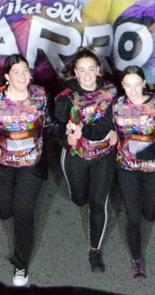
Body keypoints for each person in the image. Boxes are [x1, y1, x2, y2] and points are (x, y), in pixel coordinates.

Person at [0, 55, 53, 288]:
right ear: (7, 77)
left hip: (31, 164)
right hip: (3, 163)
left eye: (25, 70)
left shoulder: (40, 95)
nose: (22, 76)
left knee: (23, 213)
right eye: (16, 72)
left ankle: (21, 264)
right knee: (3, 211)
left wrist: (72, 132)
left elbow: (50, 124)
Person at [52, 49, 118, 274]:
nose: (88, 74)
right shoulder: (66, 98)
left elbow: (110, 122)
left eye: (91, 69)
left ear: (99, 70)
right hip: (76, 157)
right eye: (82, 70)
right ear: (75, 73)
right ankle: (78, 195)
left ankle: (94, 250)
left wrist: (103, 130)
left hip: (104, 156)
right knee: (80, 199)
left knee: (98, 204)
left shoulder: (110, 92)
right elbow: (57, 127)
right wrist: (66, 138)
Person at [110, 66, 155, 282]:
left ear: (144, 83)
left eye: (137, 85)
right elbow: (105, 128)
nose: (133, 90)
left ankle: (149, 211)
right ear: (122, 85)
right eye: (128, 85)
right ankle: (136, 258)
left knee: (150, 211)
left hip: (152, 168)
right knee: (133, 215)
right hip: (126, 168)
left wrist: (148, 153)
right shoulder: (116, 105)